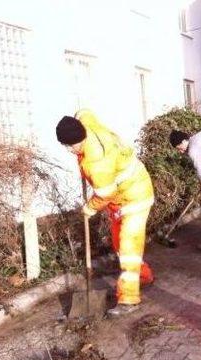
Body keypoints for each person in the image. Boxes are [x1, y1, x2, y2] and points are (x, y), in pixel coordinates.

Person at [55, 110, 155, 318]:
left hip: (135, 196)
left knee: (128, 247)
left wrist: (89, 208)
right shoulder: (88, 124)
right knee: (119, 243)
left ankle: (129, 299)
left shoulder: (96, 162)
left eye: (68, 147)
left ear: (73, 144)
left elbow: (105, 194)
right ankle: (143, 276)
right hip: (122, 199)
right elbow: (85, 112)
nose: (68, 151)